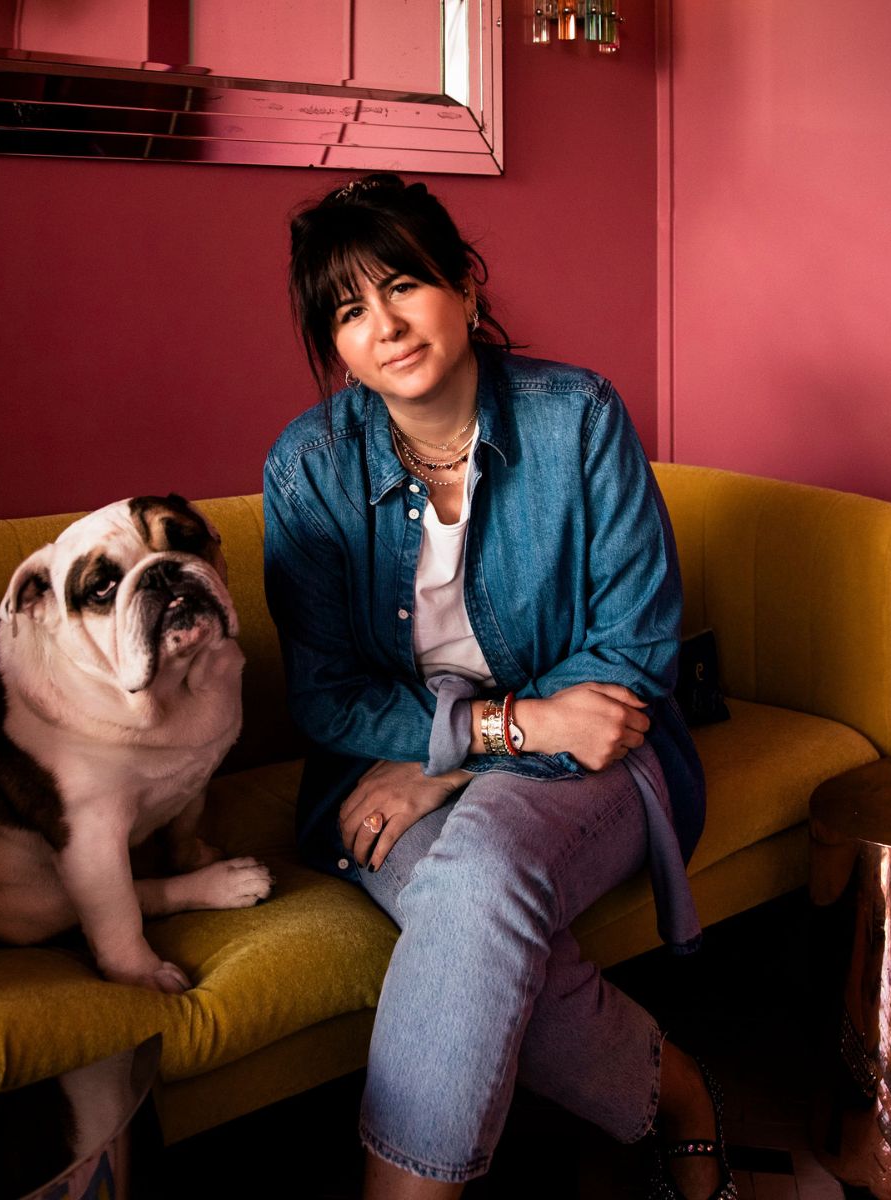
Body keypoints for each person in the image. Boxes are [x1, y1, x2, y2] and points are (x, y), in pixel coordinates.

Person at [263, 173, 735, 1200]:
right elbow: (326, 694)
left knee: (477, 869)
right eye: (348, 311)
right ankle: (681, 1094)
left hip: (590, 758)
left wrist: (457, 756)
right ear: (334, 344)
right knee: (474, 892)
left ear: (466, 288)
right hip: (385, 764)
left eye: (403, 286)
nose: (384, 327)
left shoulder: (578, 420)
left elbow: (631, 659)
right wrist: (478, 737)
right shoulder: (307, 469)